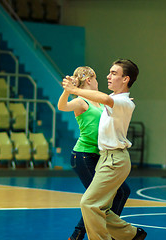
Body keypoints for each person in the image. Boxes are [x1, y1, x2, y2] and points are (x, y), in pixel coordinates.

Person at [62, 59, 147, 240]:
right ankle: (131, 235)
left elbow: (106, 99)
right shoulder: (116, 100)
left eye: (114, 73)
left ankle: (123, 235)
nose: (108, 76)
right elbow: (103, 99)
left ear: (126, 79)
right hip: (103, 157)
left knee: (90, 204)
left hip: (114, 159)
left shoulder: (122, 102)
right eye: (109, 72)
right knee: (97, 205)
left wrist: (74, 90)